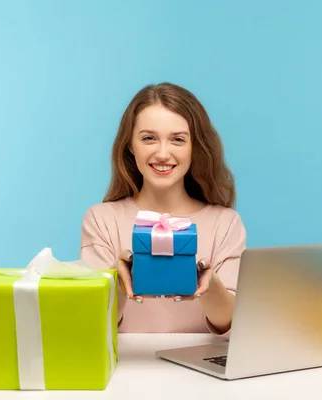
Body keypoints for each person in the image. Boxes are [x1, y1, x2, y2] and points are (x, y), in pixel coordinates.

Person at [79, 82, 247, 338]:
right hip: (128, 369)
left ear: (195, 147)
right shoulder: (101, 220)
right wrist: (119, 284)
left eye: (178, 140)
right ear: (130, 145)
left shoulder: (226, 223)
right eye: (148, 138)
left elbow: (230, 324)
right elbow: (92, 324)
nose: (162, 153)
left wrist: (209, 285)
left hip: (200, 371)